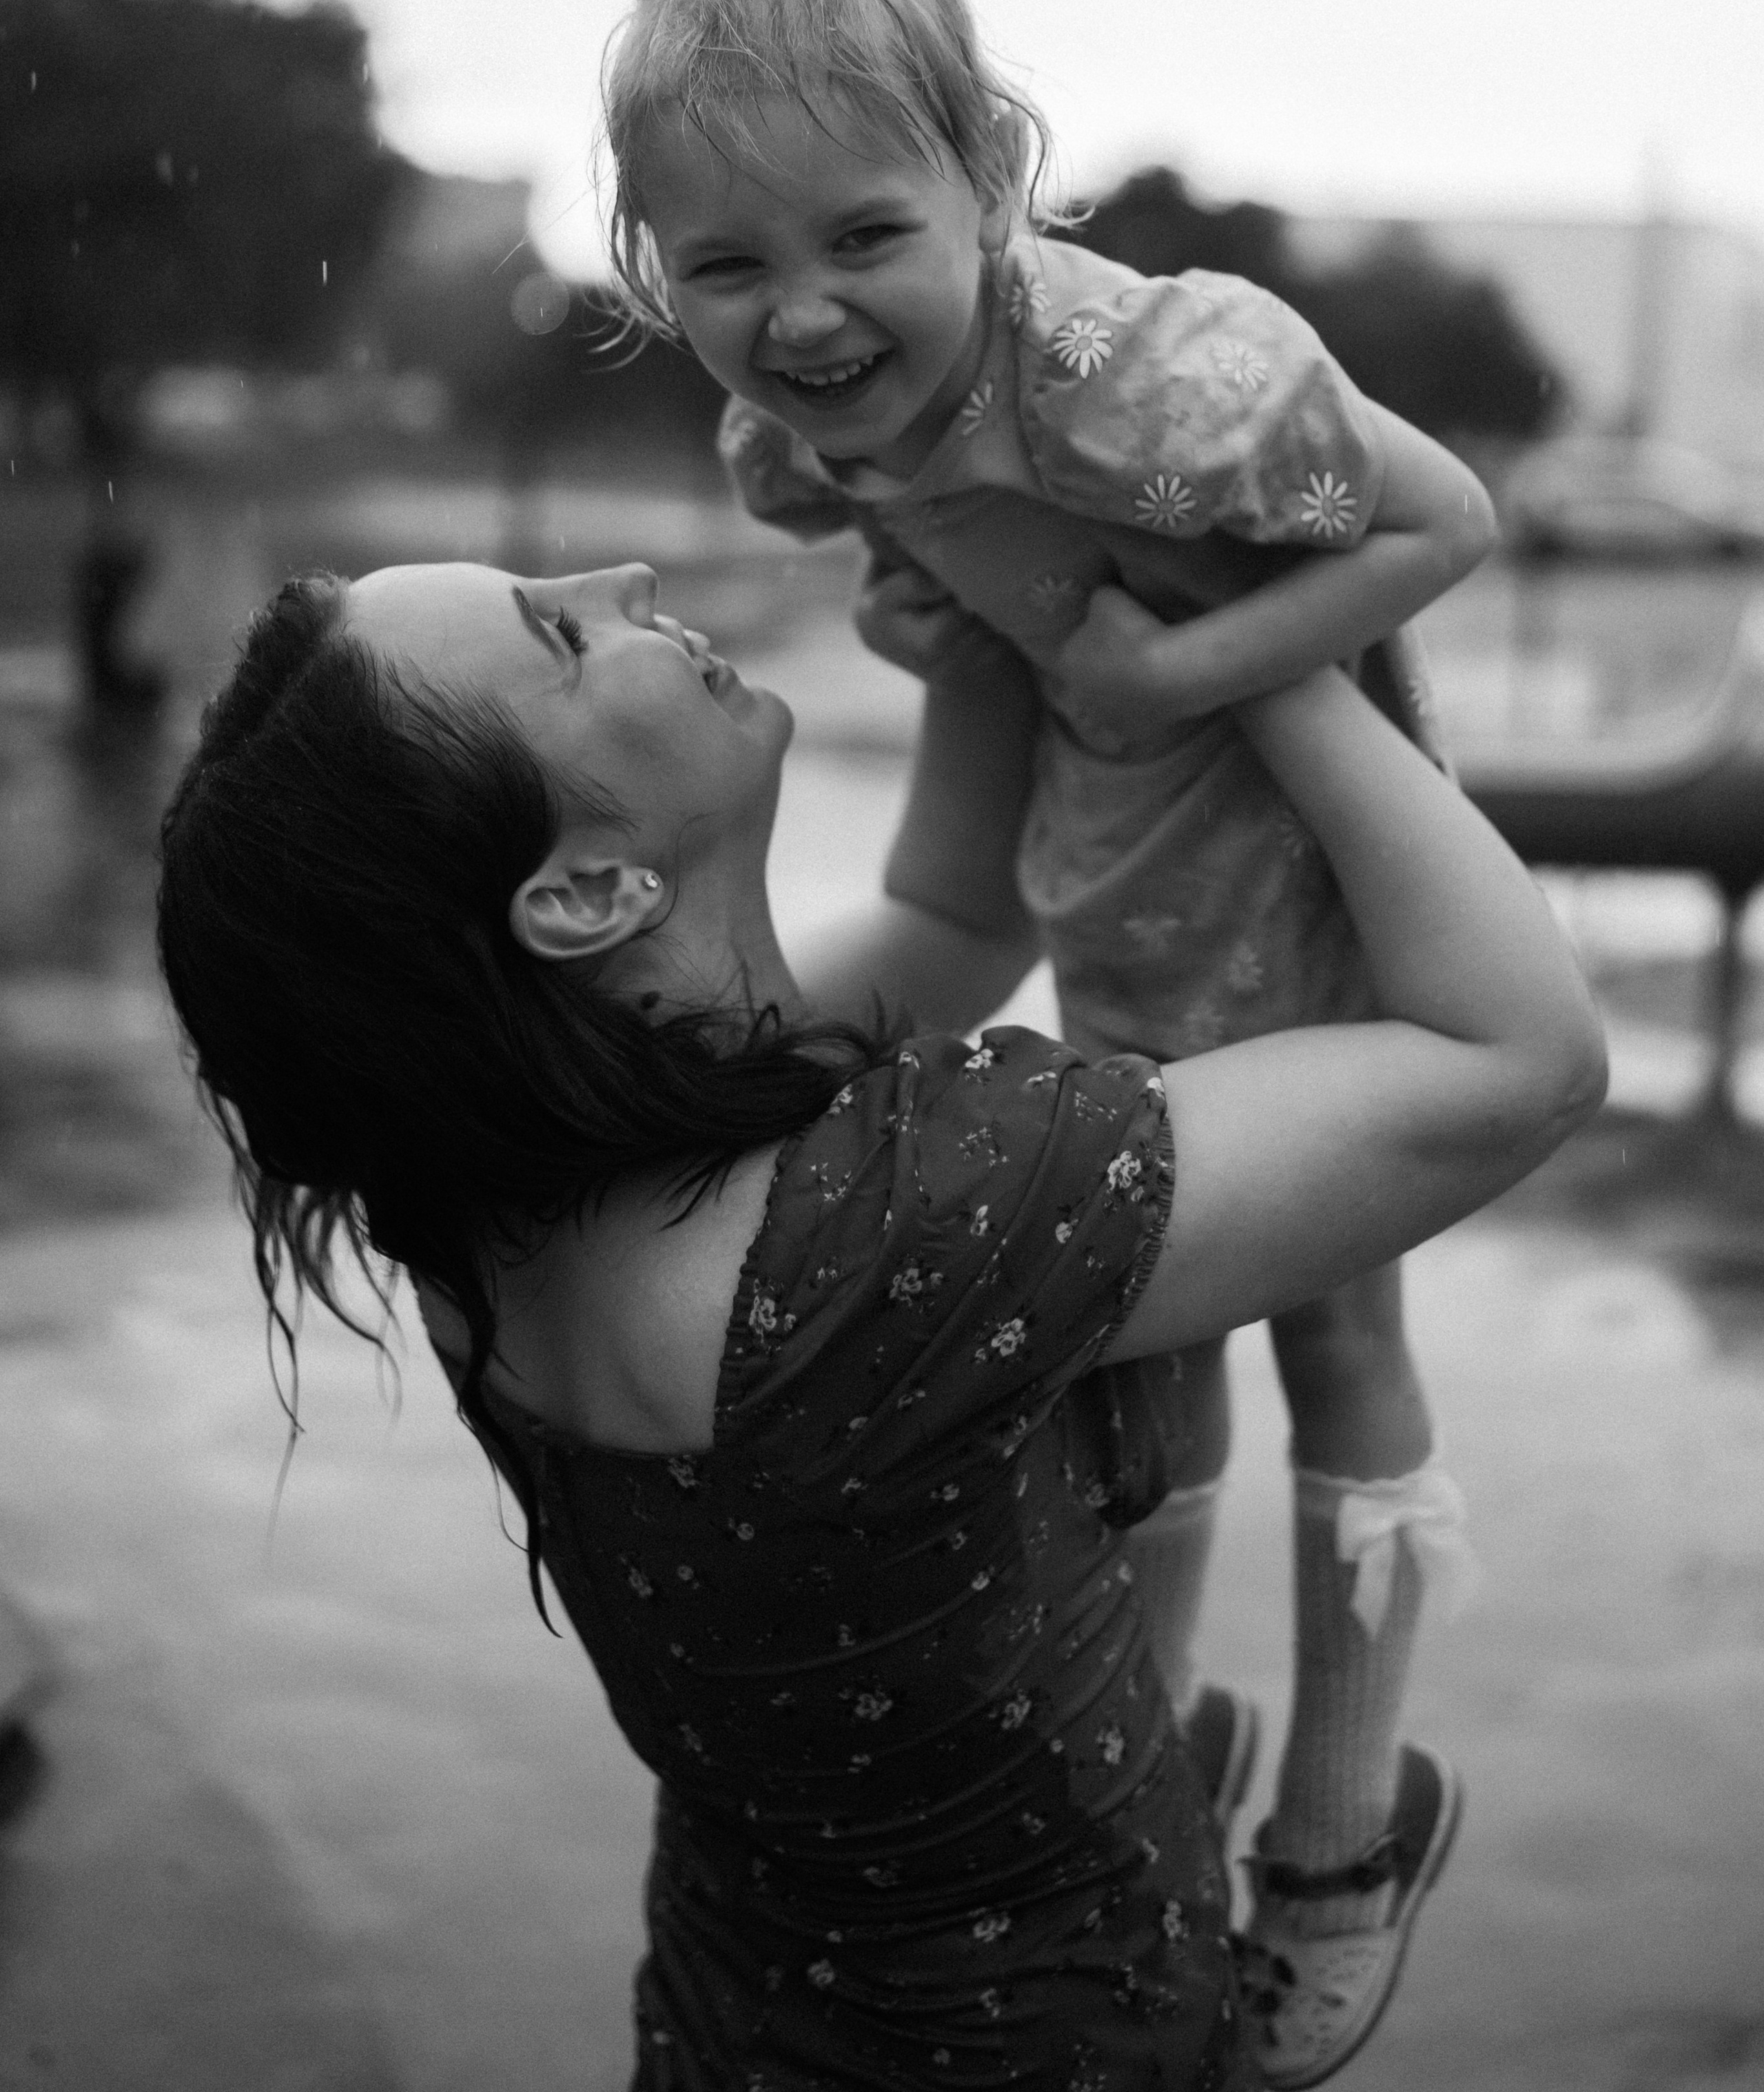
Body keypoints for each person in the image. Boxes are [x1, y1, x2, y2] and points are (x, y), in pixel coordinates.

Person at [155, 555, 1604, 2090]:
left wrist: (989, 655)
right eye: (563, 634)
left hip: (751, 2026)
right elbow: (1516, 1059)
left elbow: (948, 921)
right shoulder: (902, 1230)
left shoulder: (481, 1212)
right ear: (584, 892)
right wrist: (1260, 659)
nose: (625, 574)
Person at [598, 0, 1501, 2078]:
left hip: (1303, 888)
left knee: (1336, 1333)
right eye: (727, 264)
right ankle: (1159, 1787)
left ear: (992, 180)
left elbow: (1447, 520)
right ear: (649, 268)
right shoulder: (813, 436)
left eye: (863, 238)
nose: (802, 313)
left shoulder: (1153, 376)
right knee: (1132, 1346)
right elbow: (940, 589)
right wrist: (956, 616)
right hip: (1118, 897)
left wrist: (1169, 661)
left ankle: (1347, 1828)